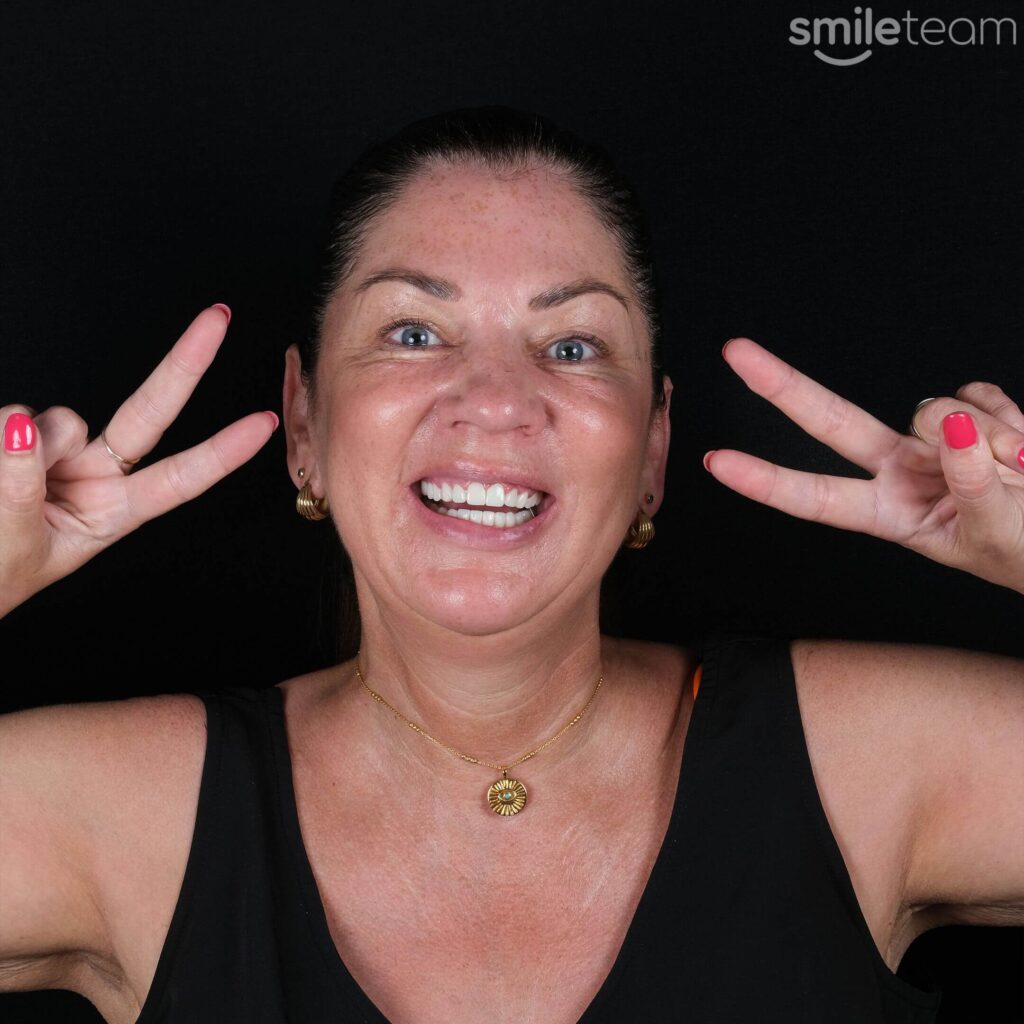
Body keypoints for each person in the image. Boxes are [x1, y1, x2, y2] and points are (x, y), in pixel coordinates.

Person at [0, 107, 1021, 1024]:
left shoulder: (860, 761)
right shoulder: (128, 814)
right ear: (305, 422)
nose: (494, 399)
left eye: (572, 346)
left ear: (652, 450)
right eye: (413, 332)